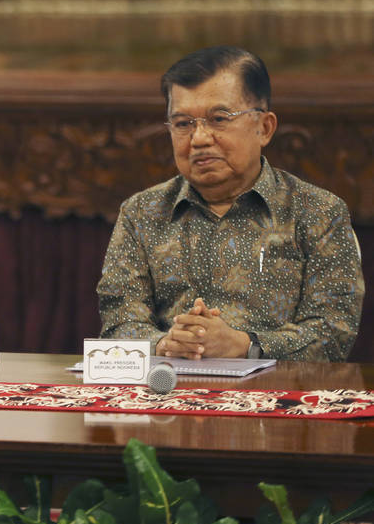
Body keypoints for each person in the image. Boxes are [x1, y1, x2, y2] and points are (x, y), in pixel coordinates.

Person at [98, 45, 363, 361]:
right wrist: (166, 344)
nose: (199, 139)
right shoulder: (141, 213)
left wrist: (245, 345)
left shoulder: (317, 211)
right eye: (183, 123)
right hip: (168, 394)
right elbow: (118, 322)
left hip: (277, 399)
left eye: (218, 119)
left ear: (264, 128)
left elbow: (333, 331)